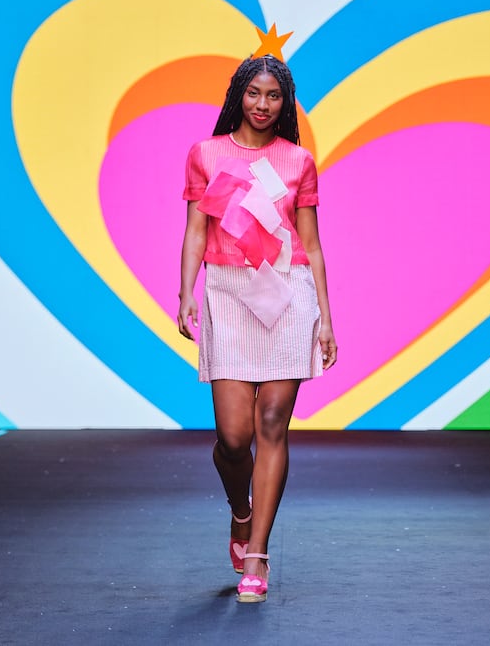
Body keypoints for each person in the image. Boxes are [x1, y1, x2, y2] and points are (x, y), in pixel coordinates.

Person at [178, 54, 337, 603]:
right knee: (233, 437)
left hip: (287, 292)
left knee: (272, 421)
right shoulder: (206, 153)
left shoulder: (298, 161)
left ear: (284, 102)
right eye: (254, 93)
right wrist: (186, 292)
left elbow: (311, 245)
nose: (263, 105)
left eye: (273, 95)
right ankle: (240, 512)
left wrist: (326, 318)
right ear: (238, 95)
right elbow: (196, 230)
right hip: (228, 292)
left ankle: (257, 556)